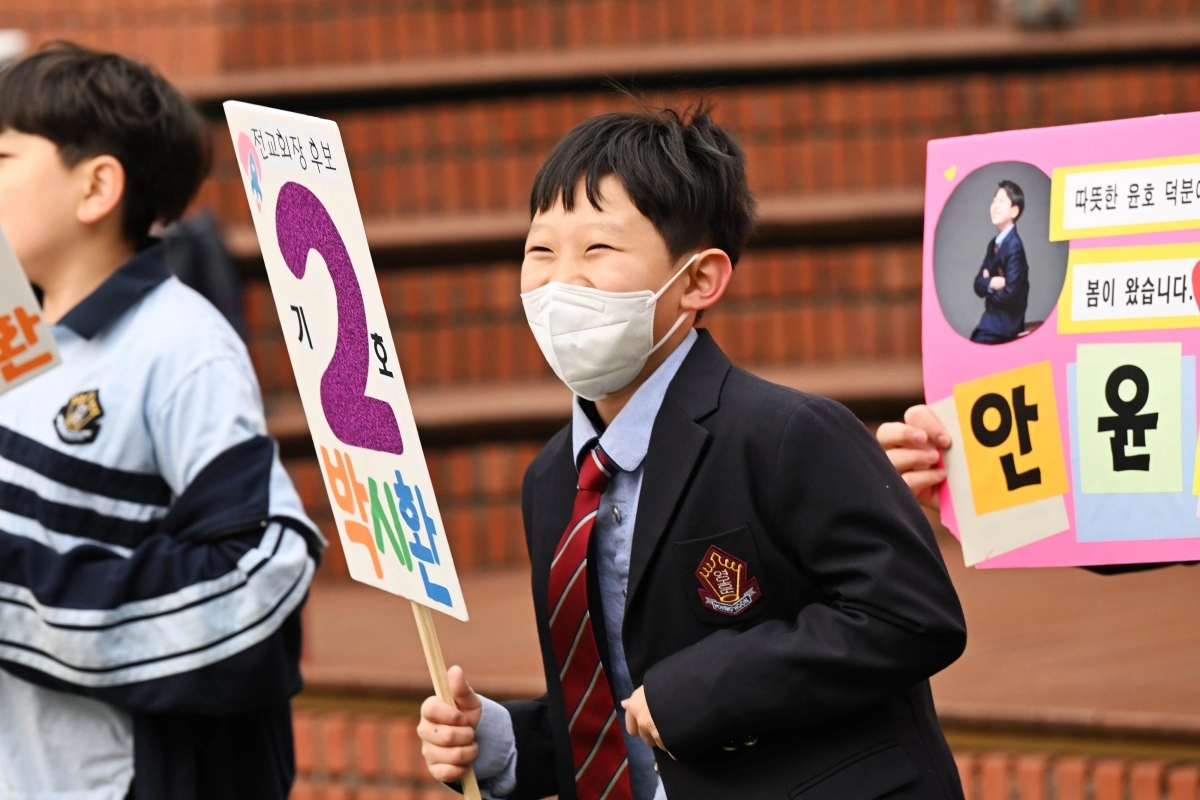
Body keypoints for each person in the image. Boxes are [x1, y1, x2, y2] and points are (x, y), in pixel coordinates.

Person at [416, 107, 968, 800]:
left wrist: (700, 690)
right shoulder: (553, 479)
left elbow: (912, 617)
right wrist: (502, 741)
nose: (561, 284)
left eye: (598, 250)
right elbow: (617, 706)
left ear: (699, 281)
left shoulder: (787, 434)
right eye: (540, 251)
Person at [0, 44, 323, 799]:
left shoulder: (181, 346)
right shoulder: (16, 331)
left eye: (3, 155)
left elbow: (262, 579)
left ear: (97, 188)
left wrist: (22, 601)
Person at [970, 180, 1029, 345]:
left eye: (1001, 201)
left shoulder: (1014, 247)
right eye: (994, 200)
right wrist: (993, 282)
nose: (995, 206)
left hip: (1005, 323)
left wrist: (988, 292)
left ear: (1014, 211)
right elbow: (977, 284)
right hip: (992, 321)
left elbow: (1010, 295)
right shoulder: (993, 244)